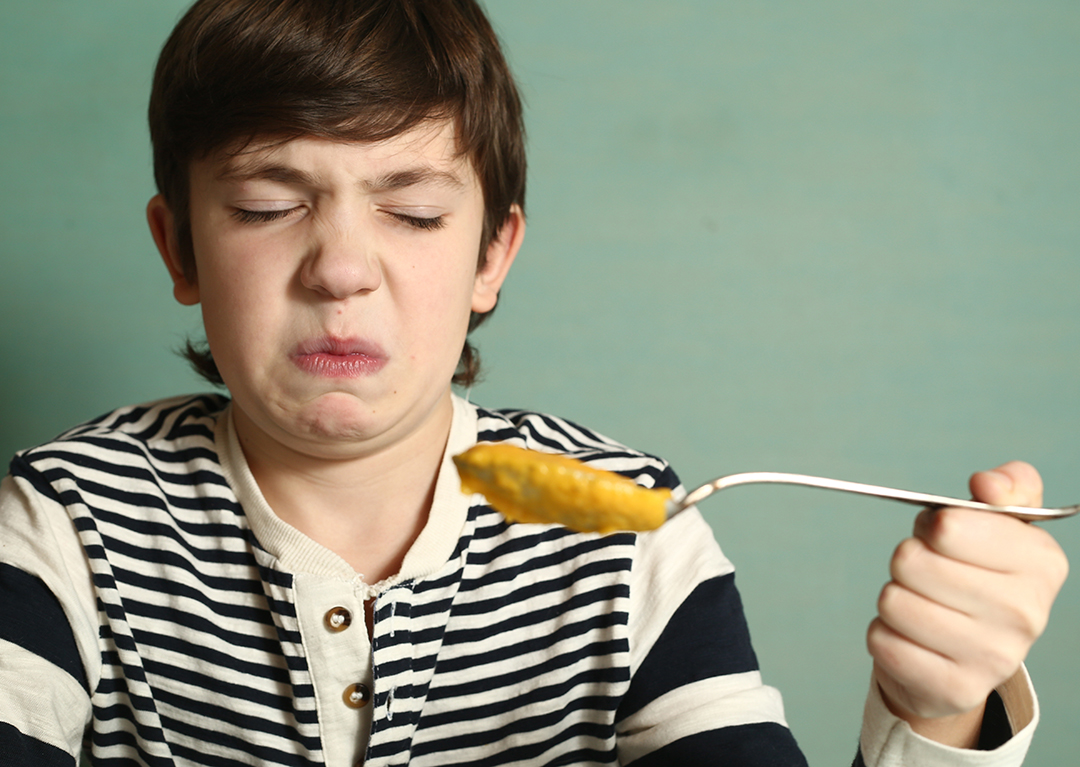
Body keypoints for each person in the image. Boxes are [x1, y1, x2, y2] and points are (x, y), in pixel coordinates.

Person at [0, 1, 1066, 765]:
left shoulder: (637, 531)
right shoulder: (62, 518)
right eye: (268, 206)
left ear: (491, 257)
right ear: (179, 247)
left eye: (413, 213)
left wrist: (938, 719)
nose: (339, 266)